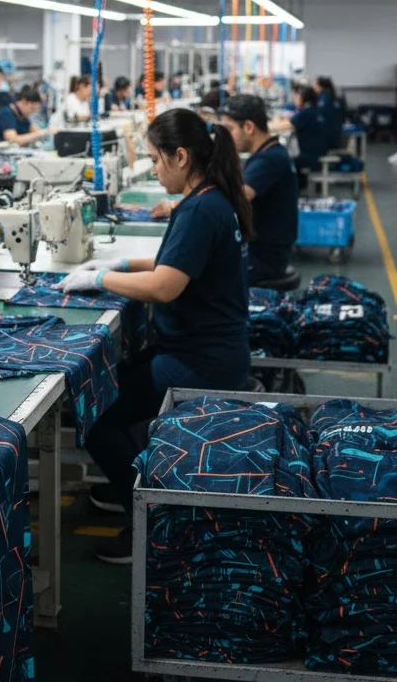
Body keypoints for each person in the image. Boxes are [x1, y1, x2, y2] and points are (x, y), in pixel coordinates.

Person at [53, 108, 252, 564]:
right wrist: (120, 265)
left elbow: (164, 286)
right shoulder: (209, 199)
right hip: (206, 348)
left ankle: (149, 522)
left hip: (201, 362)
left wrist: (100, 280)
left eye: (156, 160)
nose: (155, 169)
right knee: (113, 382)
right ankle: (131, 484)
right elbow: (173, 263)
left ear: (180, 157)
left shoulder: (200, 209)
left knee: (96, 414)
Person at [219, 95, 298, 285]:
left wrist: (176, 206)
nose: (227, 137)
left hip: (263, 259)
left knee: (195, 271)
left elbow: (236, 198)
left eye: (230, 129)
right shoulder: (269, 151)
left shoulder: (269, 159)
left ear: (248, 127)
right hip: (264, 250)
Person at [270, 85, 329, 189]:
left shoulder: (305, 113)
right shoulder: (313, 110)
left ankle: (290, 190)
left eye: (297, 97)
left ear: (304, 98)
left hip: (309, 154)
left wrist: (265, 125)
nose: (294, 99)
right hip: (318, 150)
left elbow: (283, 126)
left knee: (277, 159)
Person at [314, 76, 343, 150]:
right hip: (336, 136)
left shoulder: (322, 99)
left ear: (320, 86)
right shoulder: (332, 96)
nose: (313, 87)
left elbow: (317, 114)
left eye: (315, 85)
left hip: (326, 138)